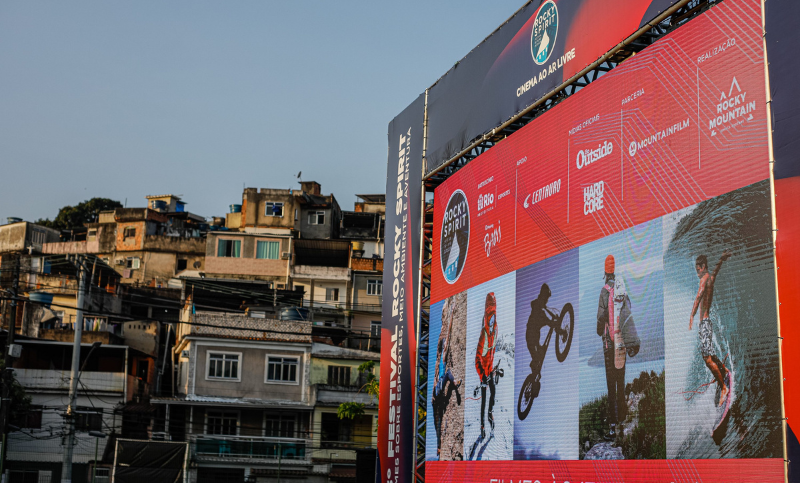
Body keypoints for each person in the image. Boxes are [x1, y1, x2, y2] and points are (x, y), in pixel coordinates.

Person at [597, 255, 639, 442]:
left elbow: (600, 320)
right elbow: (627, 311)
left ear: (605, 273)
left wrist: (601, 329)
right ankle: (622, 420)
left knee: (611, 386)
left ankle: (612, 427)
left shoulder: (604, 292)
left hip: (609, 345)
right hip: (621, 343)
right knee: (621, 383)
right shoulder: (622, 290)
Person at [690, 251, 732, 407]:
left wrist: (692, 315)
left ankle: (723, 388)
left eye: (697, 270)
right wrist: (721, 259)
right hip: (707, 323)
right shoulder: (710, 279)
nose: (697, 273)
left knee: (707, 359)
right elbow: (715, 272)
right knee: (709, 354)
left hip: (704, 323)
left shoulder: (703, 280)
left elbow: (699, 295)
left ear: (702, 267)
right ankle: (724, 370)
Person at [432, 299, 461, 458]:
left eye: (445, 346)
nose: (445, 347)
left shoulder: (444, 356)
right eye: (443, 346)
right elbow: (446, 335)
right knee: (438, 421)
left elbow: (448, 331)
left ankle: (455, 385)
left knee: (440, 421)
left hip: (442, 391)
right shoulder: (441, 361)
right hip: (438, 393)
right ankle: (438, 446)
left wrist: (453, 310)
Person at [475, 293, 498, 438]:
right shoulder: (483, 335)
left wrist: (493, 370)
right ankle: (482, 425)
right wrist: (483, 375)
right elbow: (477, 359)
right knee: (483, 399)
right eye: (490, 317)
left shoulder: (495, 330)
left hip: (489, 371)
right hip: (483, 374)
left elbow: (492, 352)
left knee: (493, 393)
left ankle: (490, 414)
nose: (492, 320)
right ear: (486, 317)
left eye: (494, 317)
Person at [526, 284, 552, 373]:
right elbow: (547, 320)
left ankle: (534, 378)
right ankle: (534, 368)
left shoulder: (540, 309)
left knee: (539, 354)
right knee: (536, 357)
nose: (547, 300)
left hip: (534, 335)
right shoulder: (537, 309)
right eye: (546, 298)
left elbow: (548, 321)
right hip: (530, 335)